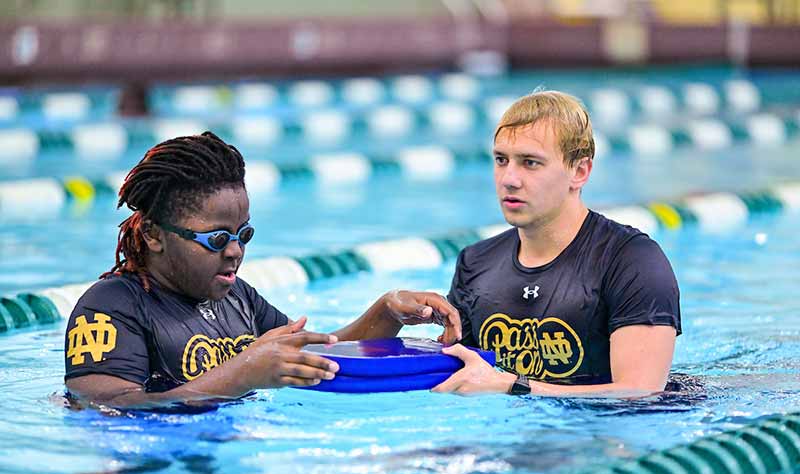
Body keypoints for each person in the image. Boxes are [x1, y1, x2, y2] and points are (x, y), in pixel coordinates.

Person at [65, 132, 461, 409]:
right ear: (154, 234)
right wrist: (244, 373)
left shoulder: (237, 296)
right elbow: (105, 412)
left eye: (244, 234)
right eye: (217, 239)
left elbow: (315, 356)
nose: (236, 251)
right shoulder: (111, 308)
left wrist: (384, 312)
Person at [431, 90, 681, 397]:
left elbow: (641, 392)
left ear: (579, 171)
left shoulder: (631, 260)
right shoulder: (476, 262)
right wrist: (388, 311)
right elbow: (458, 375)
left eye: (530, 163)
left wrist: (514, 387)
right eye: (501, 160)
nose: (509, 178)